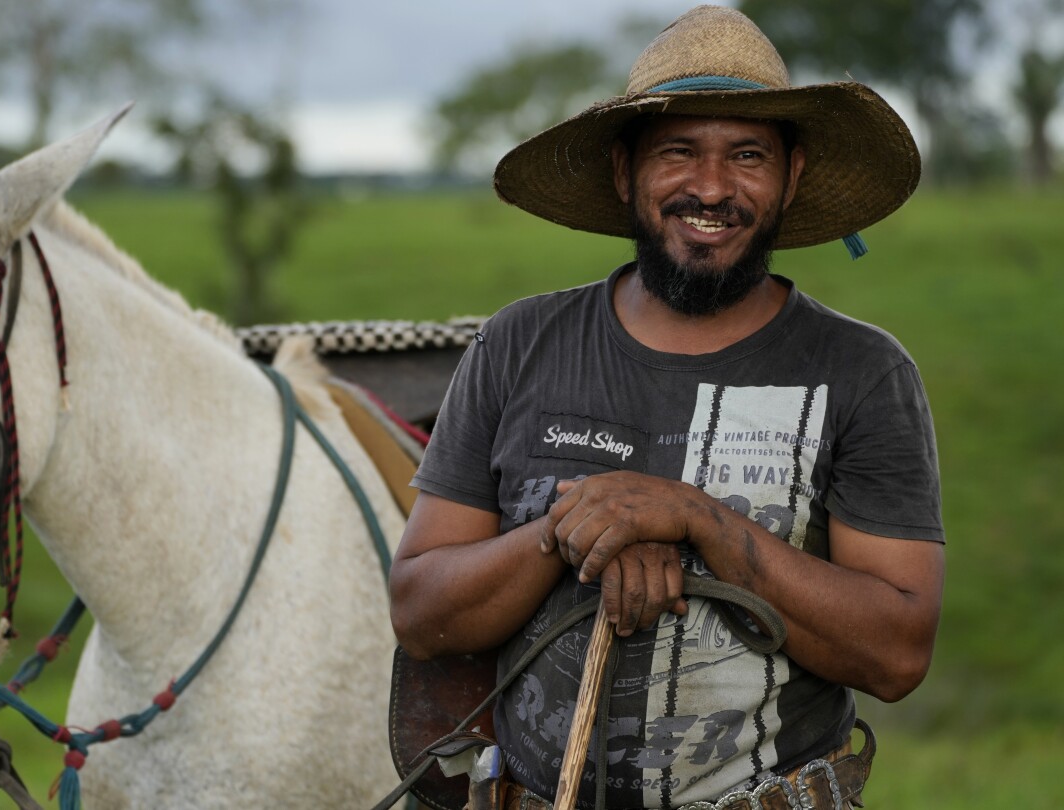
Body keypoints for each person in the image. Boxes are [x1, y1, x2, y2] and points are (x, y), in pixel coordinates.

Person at [388, 6, 945, 810]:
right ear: (625, 174)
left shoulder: (862, 372)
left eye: (746, 155)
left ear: (790, 176)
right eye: (678, 152)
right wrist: (572, 532)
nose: (711, 188)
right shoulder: (518, 345)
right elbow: (419, 609)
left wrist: (699, 521)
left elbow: (897, 654)